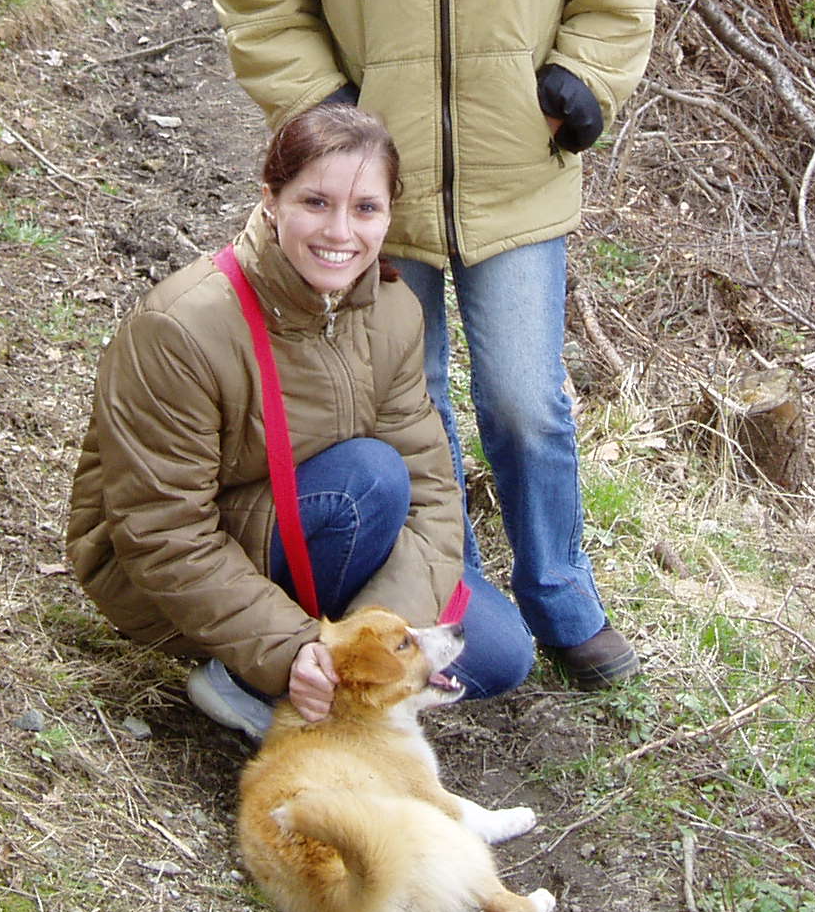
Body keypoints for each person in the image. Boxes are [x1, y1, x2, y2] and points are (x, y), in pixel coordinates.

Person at [211, 0, 659, 688]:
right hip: (377, 206)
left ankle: (561, 595)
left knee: (525, 402)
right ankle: (449, 600)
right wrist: (328, 118)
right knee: (411, 406)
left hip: (517, 179)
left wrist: (583, 78)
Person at [65, 104, 534, 740]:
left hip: (327, 532)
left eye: (365, 208)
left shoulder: (392, 310)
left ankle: (328, 683)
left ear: (388, 214)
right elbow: (162, 529)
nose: (340, 231)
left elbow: (432, 490)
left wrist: (366, 647)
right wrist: (289, 650)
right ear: (271, 200)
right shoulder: (179, 328)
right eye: (315, 202)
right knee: (369, 479)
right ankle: (250, 681)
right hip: (171, 576)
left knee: (501, 653)